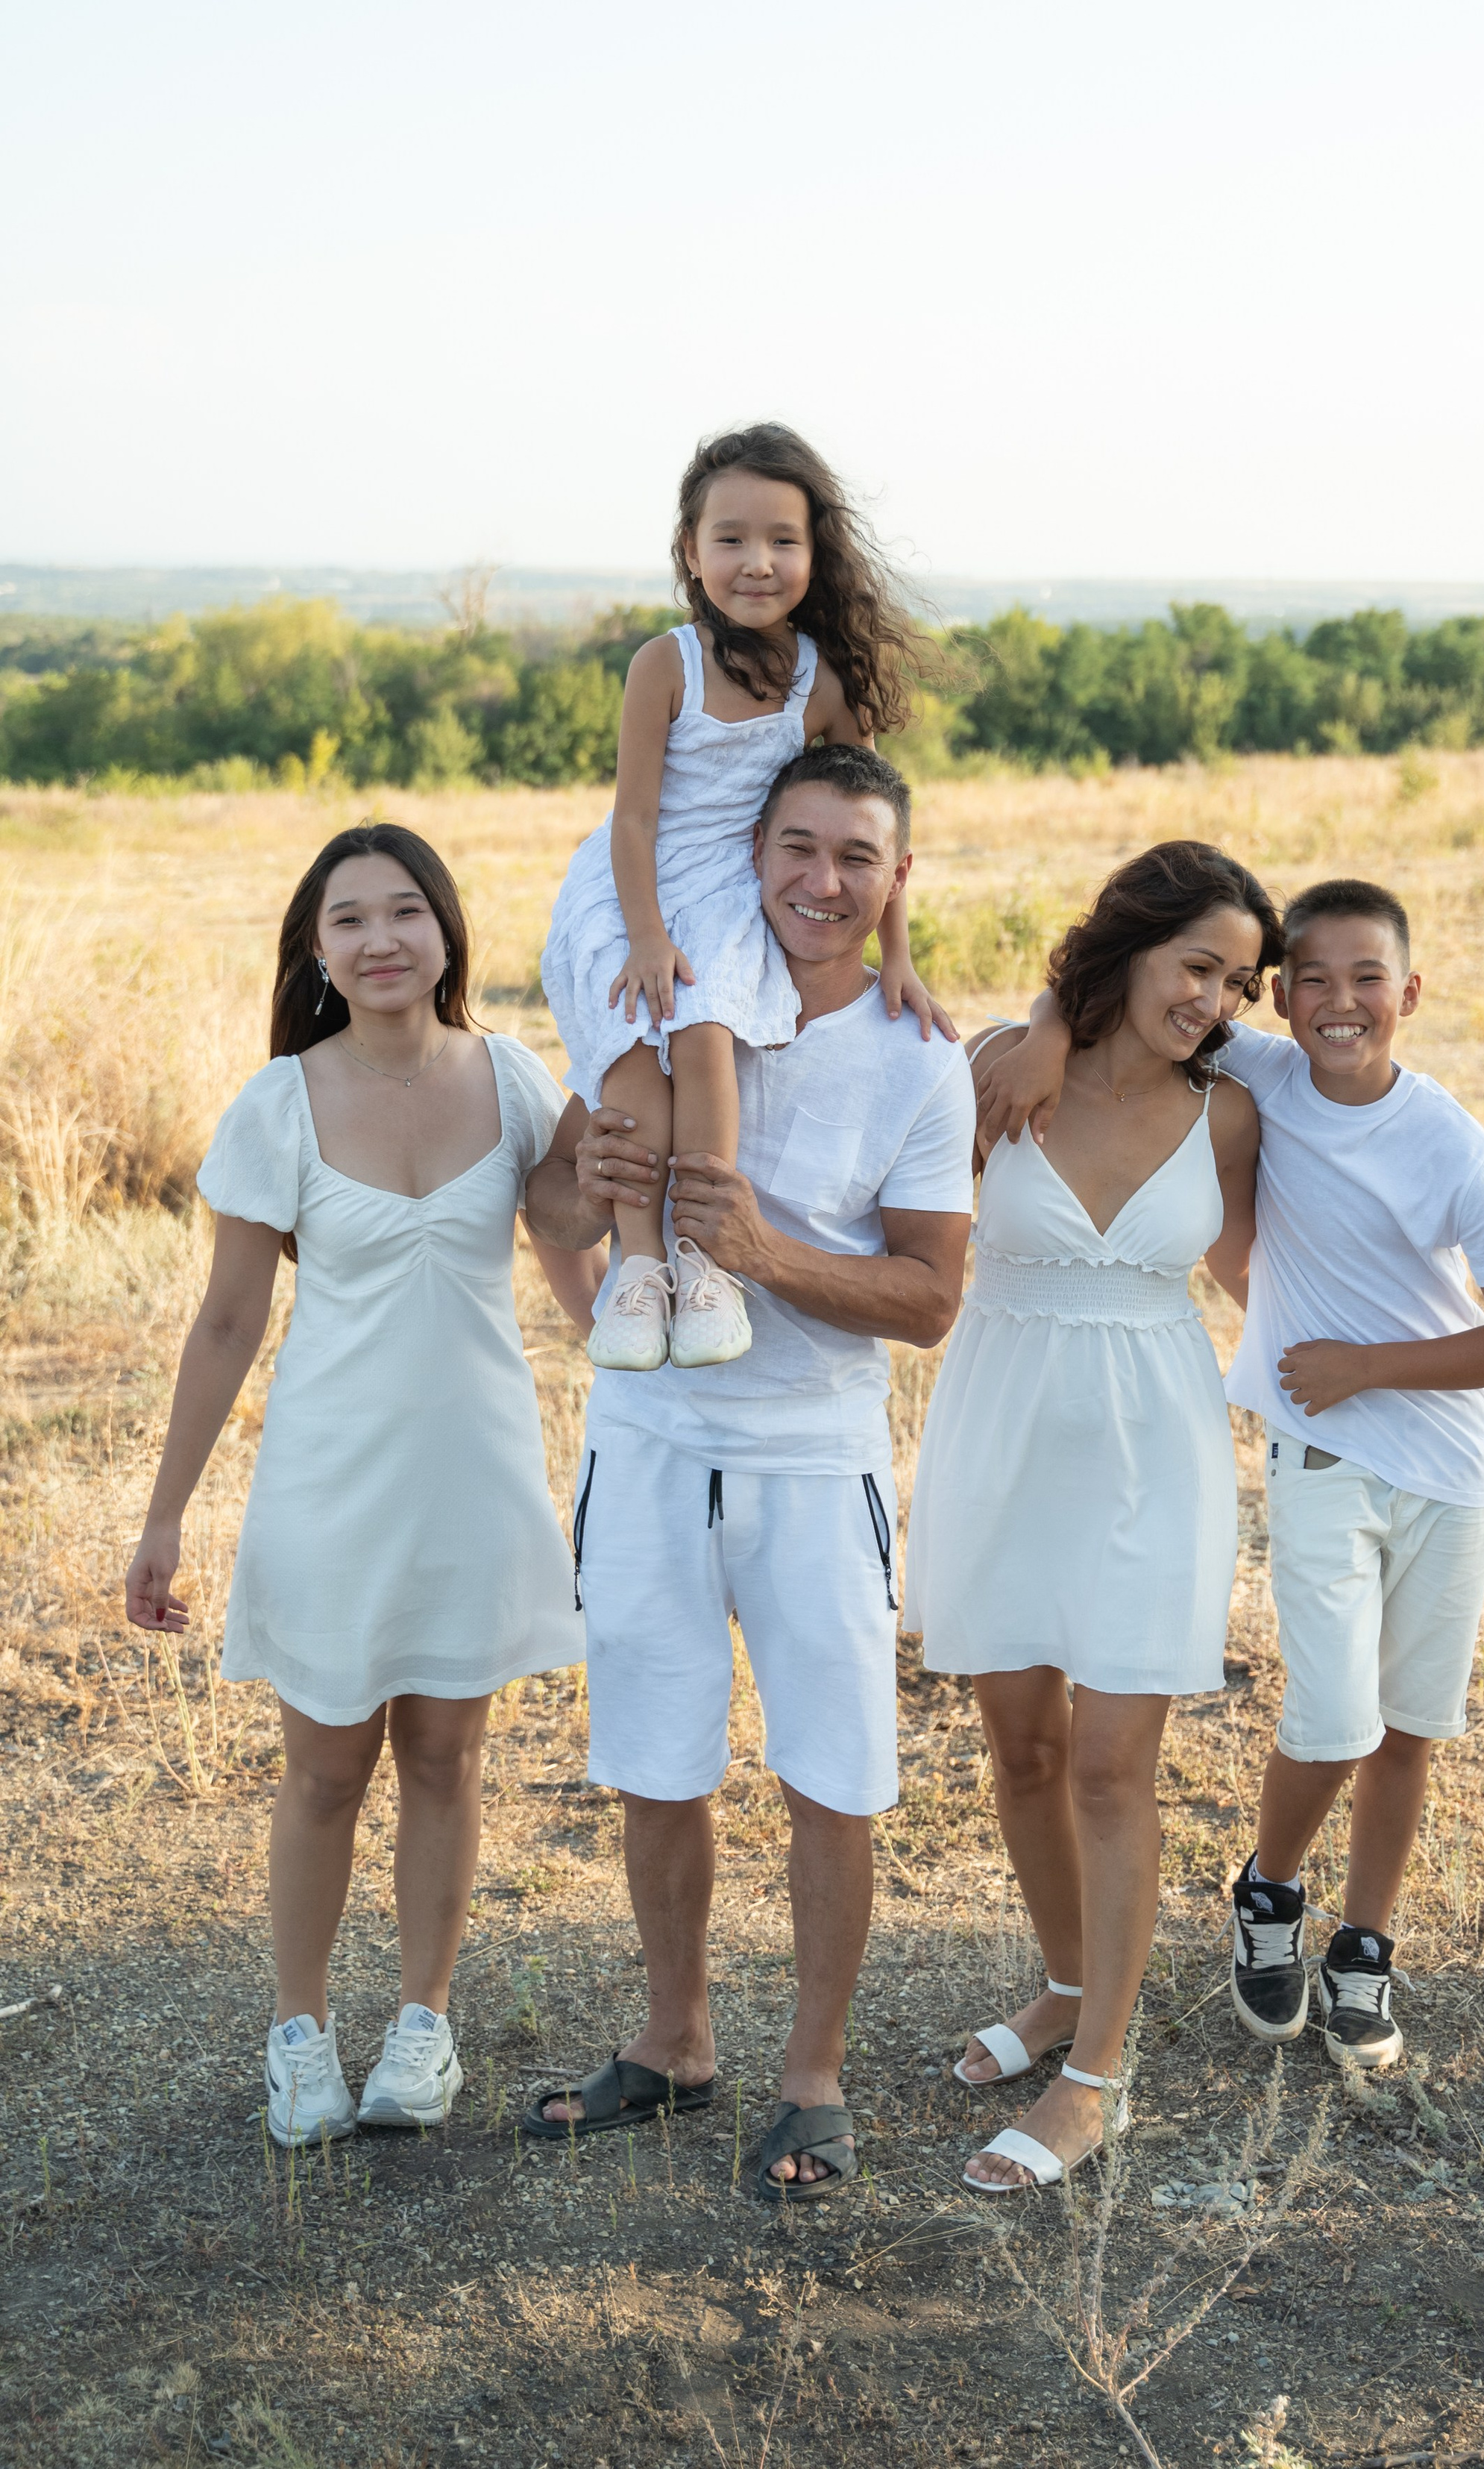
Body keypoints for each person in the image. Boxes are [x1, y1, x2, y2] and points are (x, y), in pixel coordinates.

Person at [983, 876, 1484, 2074]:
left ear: (1411, 993)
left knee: (1411, 1726)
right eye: (1309, 979)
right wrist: (1043, 1025)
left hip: (1450, 1459)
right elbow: (1120, 983)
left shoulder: (1451, 1140)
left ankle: (1366, 1939)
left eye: (1367, 981)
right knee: (1335, 1713)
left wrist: (1370, 1361)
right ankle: (1270, 1888)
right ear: (1282, 998)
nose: (1338, 1003)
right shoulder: (1266, 1071)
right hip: (1321, 1447)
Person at [519, 743, 975, 2197]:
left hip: (809, 1456)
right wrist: (583, 1218)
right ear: (752, 854)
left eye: (855, 857)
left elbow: (929, 1299)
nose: (820, 882)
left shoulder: (919, 1059)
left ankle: (812, 2078)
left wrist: (764, 1251)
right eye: (795, 848)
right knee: (657, 1761)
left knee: (830, 1775)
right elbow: (559, 1227)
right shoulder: (664, 1001)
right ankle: (673, 2042)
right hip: (648, 1450)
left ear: (896, 882)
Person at [124, 826, 597, 2147]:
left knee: (447, 1757)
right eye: (350, 920)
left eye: (406, 912)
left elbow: (579, 1262)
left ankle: (425, 2028)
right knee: (326, 1767)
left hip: (475, 1474)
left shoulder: (513, 1080)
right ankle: (300, 2030)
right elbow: (225, 1322)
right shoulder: (280, 1101)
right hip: (331, 1479)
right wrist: (164, 1514)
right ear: (318, 949)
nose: (380, 938)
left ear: (447, 935)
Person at [905, 843, 1271, 2194]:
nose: (1217, 1001)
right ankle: (1063, 1982)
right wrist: (1055, 1021)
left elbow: (1347, 1130)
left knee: (1117, 1764)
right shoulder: (1004, 1069)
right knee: (1024, 1747)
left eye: (1237, 982)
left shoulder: (1236, 1104)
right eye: (1198, 968)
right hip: (1000, 1429)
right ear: (1129, 946)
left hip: (1153, 1449)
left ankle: (1096, 2076)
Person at [538, 423, 947, 1378]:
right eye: (729, 539)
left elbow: (873, 829)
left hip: (730, 885)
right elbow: (632, 818)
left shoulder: (821, 680)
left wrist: (902, 955)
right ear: (690, 550)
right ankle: (639, 1268)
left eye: (782, 540)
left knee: (706, 1028)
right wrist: (643, 936)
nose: (755, 563)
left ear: (816, 552)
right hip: (632, 882)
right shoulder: (664, 664)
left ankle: (701, 1255)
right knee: (637, 1056)